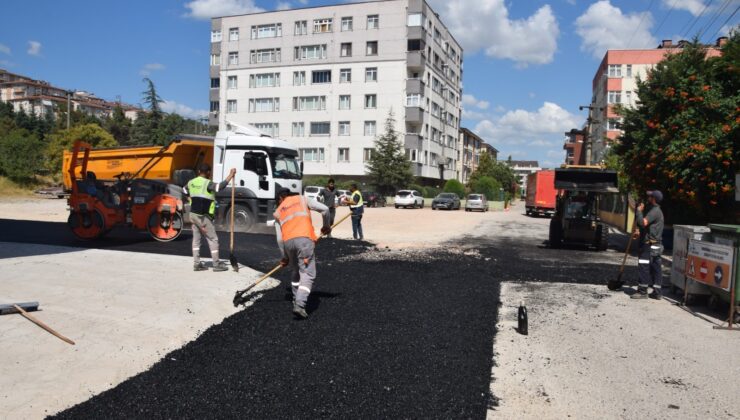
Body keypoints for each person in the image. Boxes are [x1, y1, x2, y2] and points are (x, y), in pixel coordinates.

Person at [274, 188, 330, 318]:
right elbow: (325, 209)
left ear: (280, 199)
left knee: (295, 271)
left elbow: (279, 238)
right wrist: (326, 226)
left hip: (288, 243)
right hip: (304, 239)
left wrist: (284, 257)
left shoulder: (277, 211)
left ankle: (295, 298)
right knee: (307, 274)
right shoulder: (302, 199)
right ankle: (299, 304)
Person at [184, 163, 236, 272]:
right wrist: (231, 175)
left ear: (198, 172)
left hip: (193, 215)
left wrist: (190, 199)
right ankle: (216, 264)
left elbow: (184, 190)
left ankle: (197, 264)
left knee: (196, 239)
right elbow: (220, 187)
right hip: (203, 217)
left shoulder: (191, 182)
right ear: (208, 172)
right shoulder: (207, 183)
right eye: (209, 172)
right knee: (213, 239)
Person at [631, 190, 665, 299]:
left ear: (653, 199)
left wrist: (638, 211)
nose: (648, 198)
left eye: (650, 196)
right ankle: (657, 292)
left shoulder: (654, 211)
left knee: (644, 266)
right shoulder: (656, 211)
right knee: (656, 267)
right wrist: (640, 232)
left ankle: (642, 291)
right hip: (656, 244)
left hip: (648, 245)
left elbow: (643, 222)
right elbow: (649, 227)